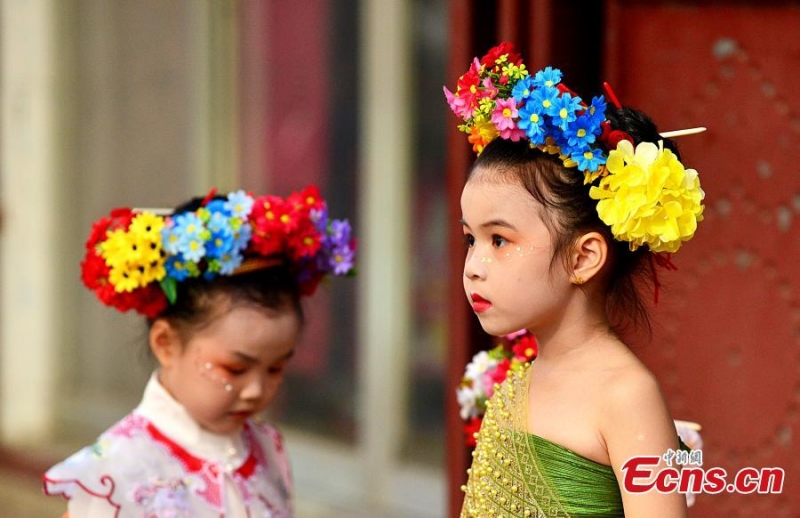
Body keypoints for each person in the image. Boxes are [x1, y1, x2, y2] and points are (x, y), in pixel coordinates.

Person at [446, 43, 705, 516]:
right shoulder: (518, 380)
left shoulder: (626, 396)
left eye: (499, 240)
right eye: (470, 240)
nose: (474, 266)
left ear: (583, 257)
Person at [43, 186, 356, 517]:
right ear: (166, 343)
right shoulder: (114, 474)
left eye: (276, 369)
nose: (256, 390)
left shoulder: (266, 447)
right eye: (235, 369)